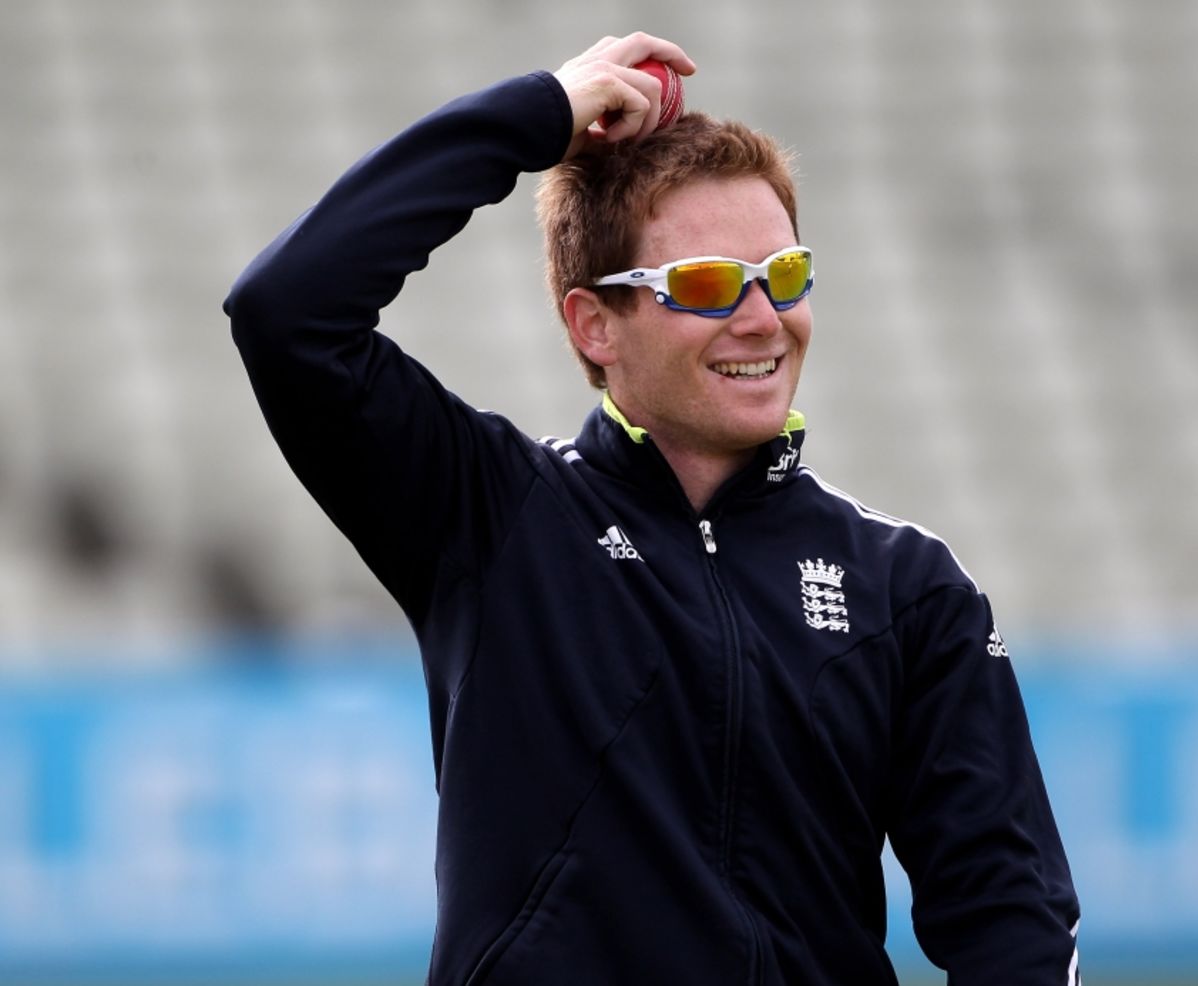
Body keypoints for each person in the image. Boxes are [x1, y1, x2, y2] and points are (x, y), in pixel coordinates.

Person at [225, 31, 1081, 986]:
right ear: (595, 326)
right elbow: (286, 310)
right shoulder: (494, 511)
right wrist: (538, 113)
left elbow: (1011, 920)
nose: (763, 317)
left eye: (785, 275)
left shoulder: (910, 588)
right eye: (709, 287)